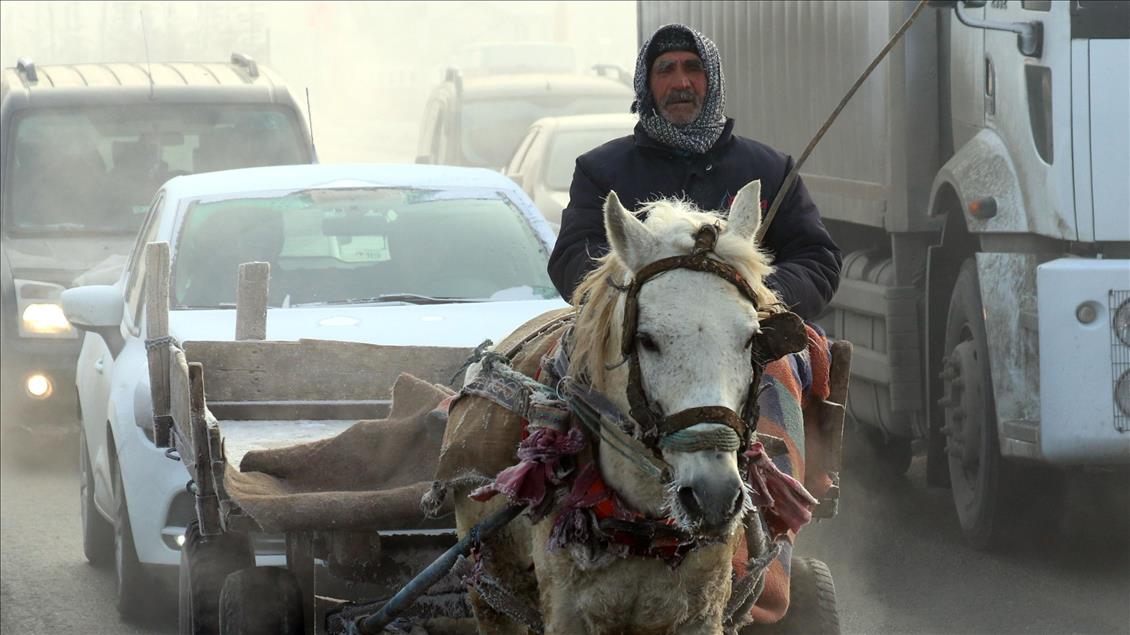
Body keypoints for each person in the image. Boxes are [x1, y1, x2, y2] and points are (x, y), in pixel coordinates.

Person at [547, 24, 842, 321]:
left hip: (755, 339)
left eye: (693, 68)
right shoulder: (600, 170)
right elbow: (572, 258)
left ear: (713, 79)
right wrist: (648, 291)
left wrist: (753, 292)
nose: (681, 83)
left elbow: (817, 259)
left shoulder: (772, 171)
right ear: (646, 85)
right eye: (665, 70)